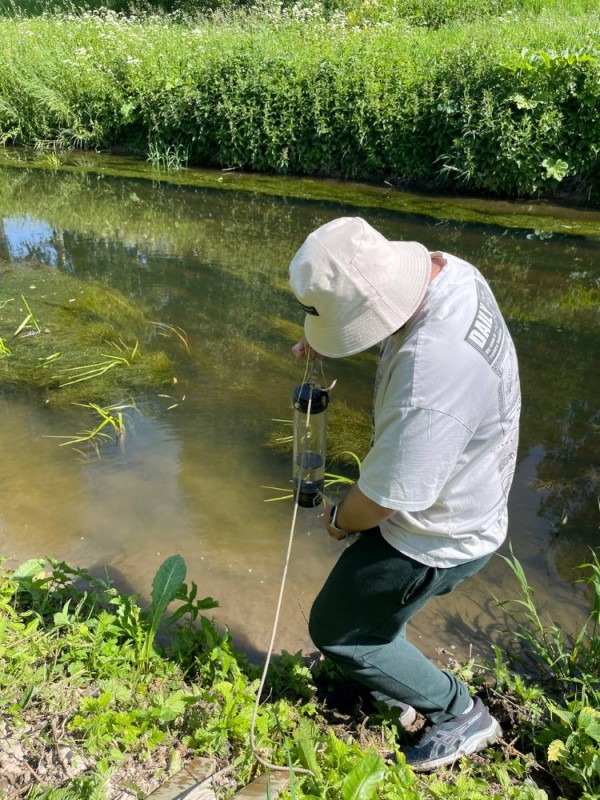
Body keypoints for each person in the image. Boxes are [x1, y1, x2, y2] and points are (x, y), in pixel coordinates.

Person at [288, 216, 520, 771]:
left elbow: (385, 499)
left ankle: (457, 713)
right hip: (471, 489)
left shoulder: (430, 381)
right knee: (371, 616)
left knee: (337, 629)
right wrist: (331, 330)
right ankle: (389, 675)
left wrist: (342, 518)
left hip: (438, 534)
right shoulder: (452, 274)